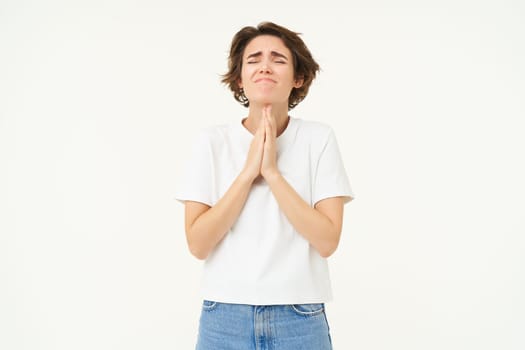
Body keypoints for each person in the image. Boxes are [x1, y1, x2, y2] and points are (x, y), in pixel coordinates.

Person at [174, 21, 355, 350]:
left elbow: (328, 240)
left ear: (298, 78)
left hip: (300, 314)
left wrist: (272, 173)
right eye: (253, 59)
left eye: (278, 59)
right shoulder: (212, 142)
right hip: (224, 315)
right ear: (240, 78)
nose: (265, 67)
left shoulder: (319, 138)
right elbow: (197, 244)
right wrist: (247, 174)